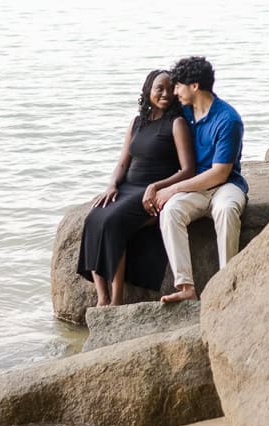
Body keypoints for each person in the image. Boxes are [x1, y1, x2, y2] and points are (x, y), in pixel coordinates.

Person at [77, 69, 196, 306]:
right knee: (93, 219)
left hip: (152, 192)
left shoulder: (176, 123)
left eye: (170, 89)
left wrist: (156, 186)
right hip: (128, 187)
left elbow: (188, 170)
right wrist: (112, 185)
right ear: (148, 91)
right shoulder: (137, 123)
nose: (164, 93)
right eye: (158, 88)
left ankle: (116, 300)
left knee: (112, 223)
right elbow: (123, 162)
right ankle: (102, 298)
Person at [147, 56, 247, 304]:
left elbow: (219, 173)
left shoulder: (228, 120)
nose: (174, 91)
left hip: (226, 186)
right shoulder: (184, 112)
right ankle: (186, 287)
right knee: (170, 211)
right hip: (196, 190)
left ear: (194, 86)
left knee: (226, 209)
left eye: (178, 85)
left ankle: (227, 282)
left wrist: (173, 188)